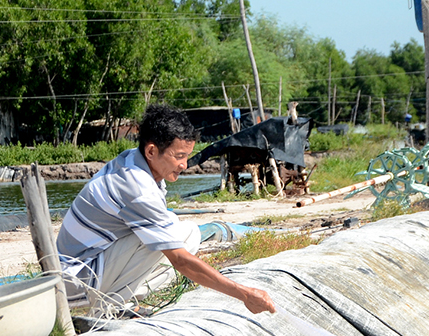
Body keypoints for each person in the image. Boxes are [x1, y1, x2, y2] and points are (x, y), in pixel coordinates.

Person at [56, 104, 276, 317]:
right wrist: (244, 294)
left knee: (187, 232)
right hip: (76, 283)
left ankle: (120, 300)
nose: (184, 164)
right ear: (152, 150)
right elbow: (179, 260)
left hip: (91, 268)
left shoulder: (135, 160)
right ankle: (107, 308)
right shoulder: (136, 187)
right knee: (164, 242)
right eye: (178, 156)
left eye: (186, 156)